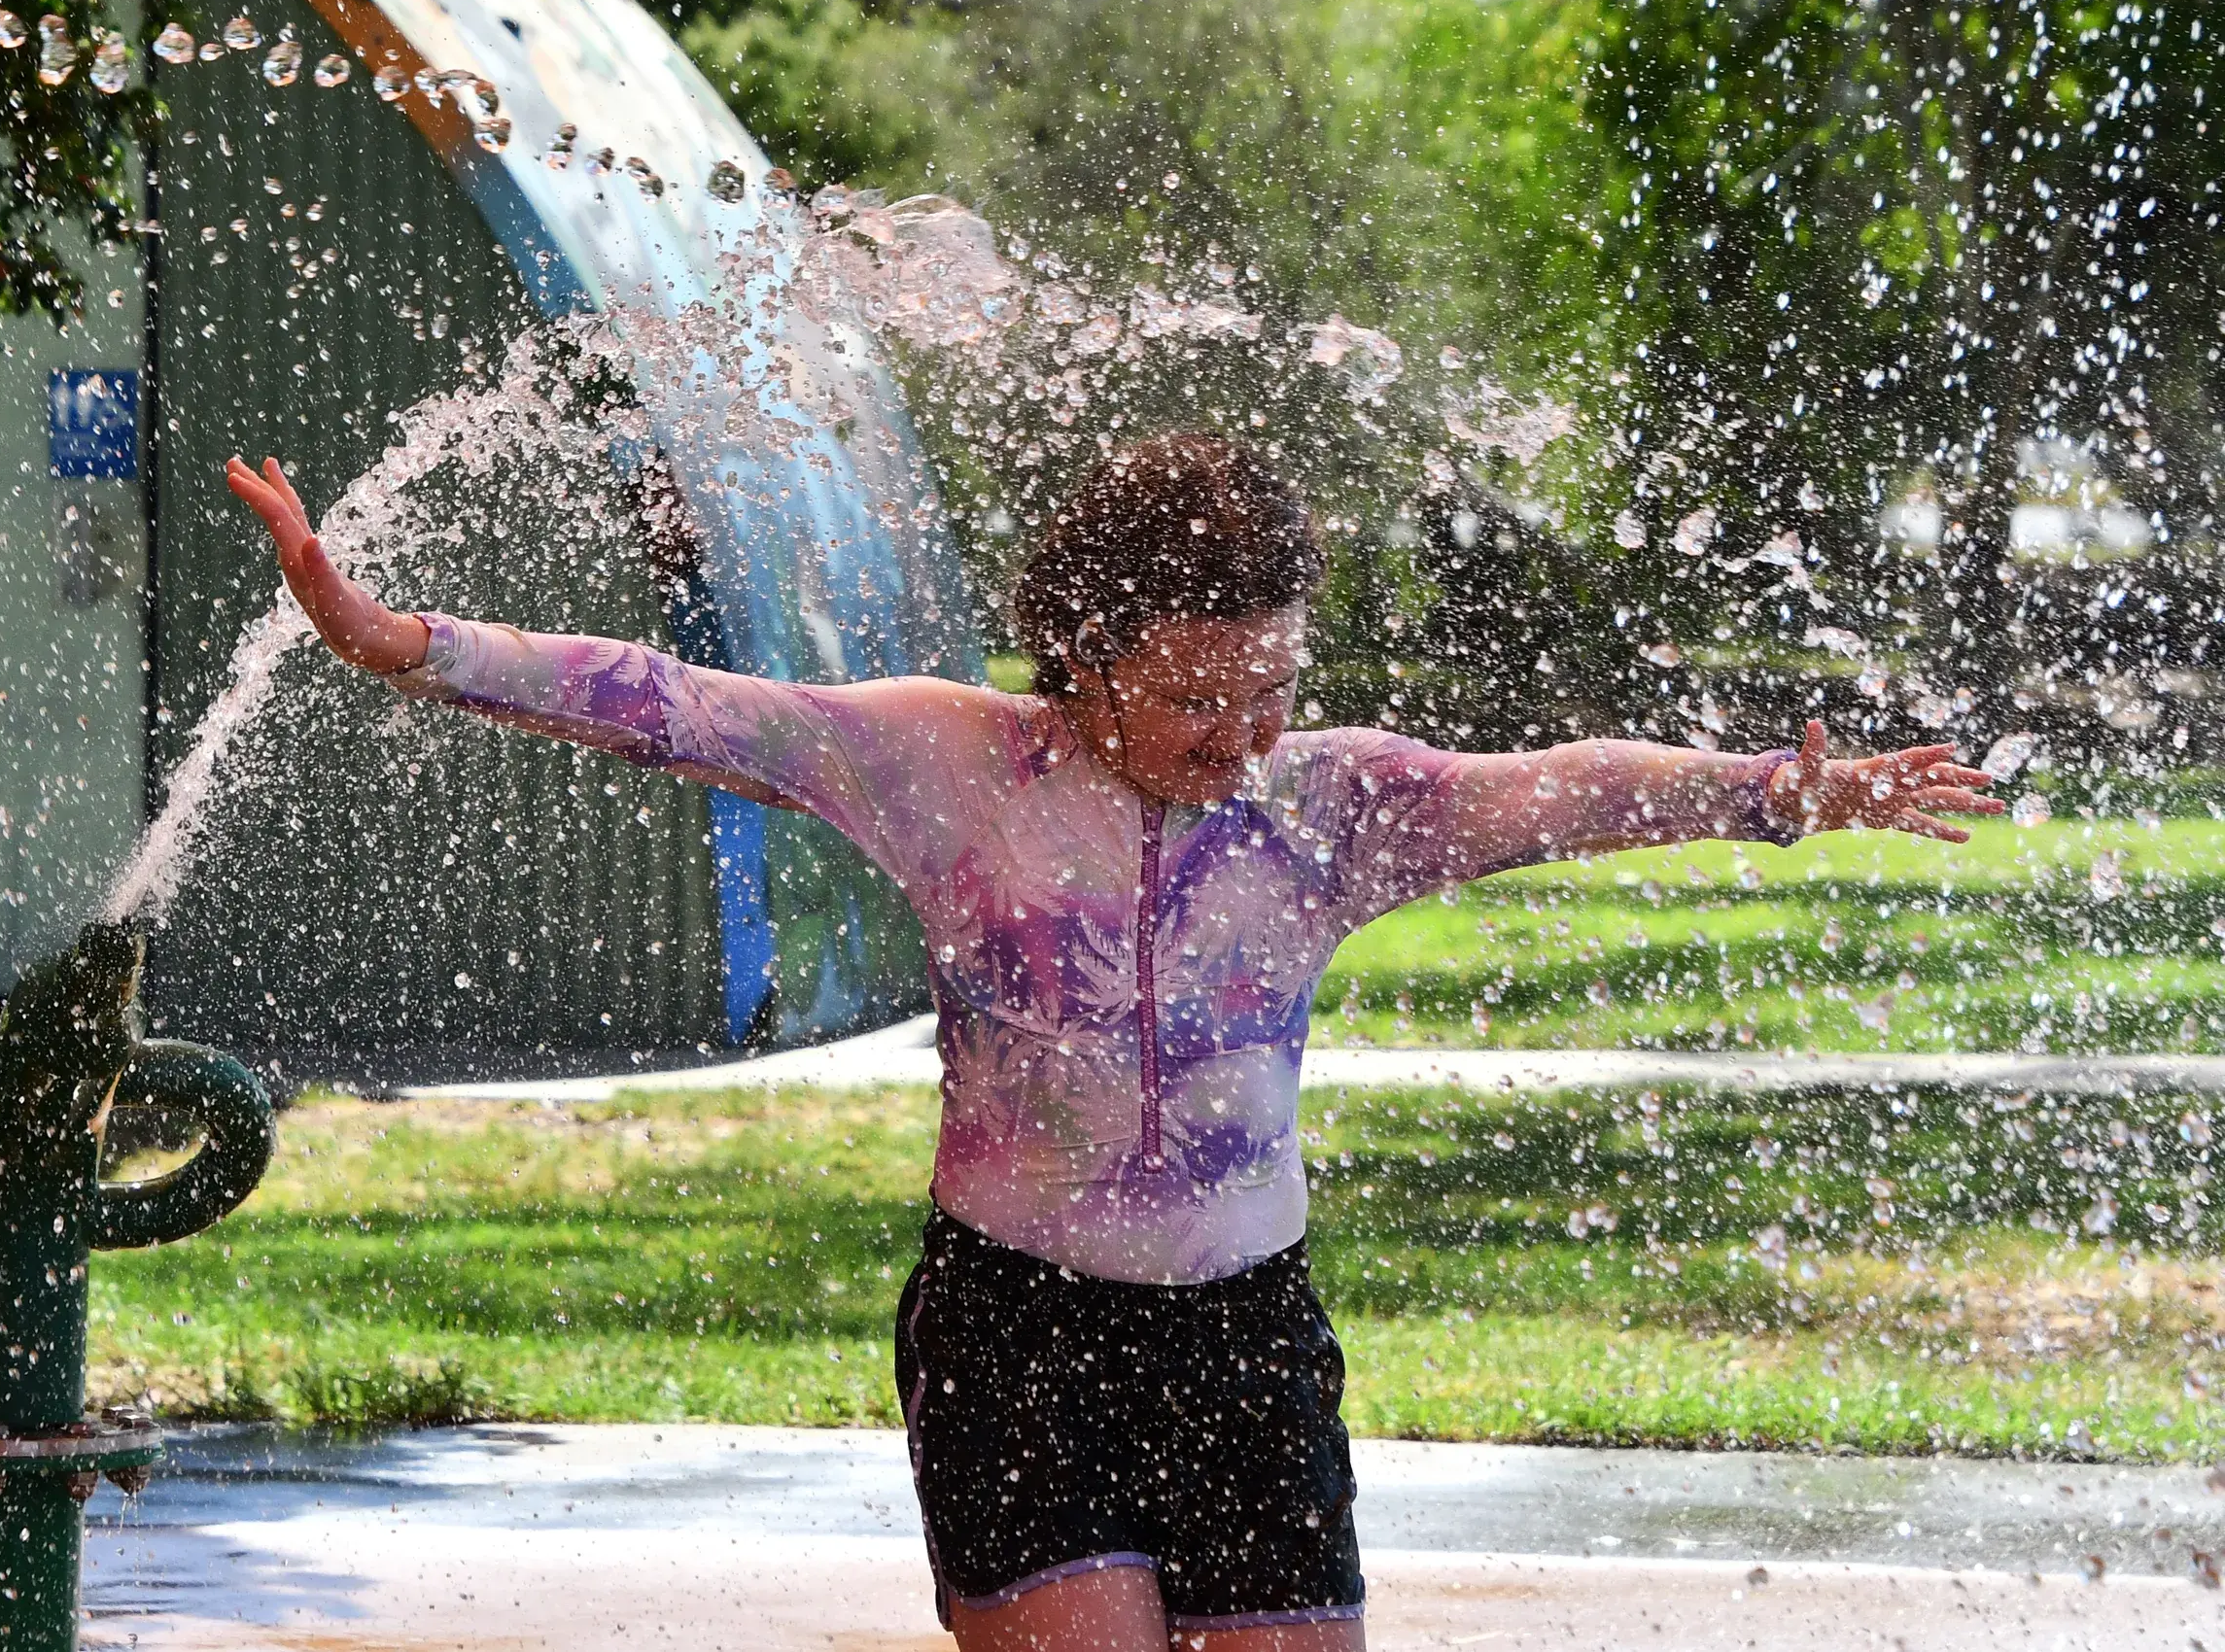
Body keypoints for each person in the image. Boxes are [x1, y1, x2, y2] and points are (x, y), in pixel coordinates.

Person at [226, 436, 1999, 1651]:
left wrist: (1778, 787)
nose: (1243, 733)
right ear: (1083, 661)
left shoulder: (1333, 810)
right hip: (1022, 1336)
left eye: (1273, 688)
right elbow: (677, 703)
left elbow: (1553, 793)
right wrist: (398, 638)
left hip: (1247, 1334)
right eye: (1196, 697)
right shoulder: (947, 767)